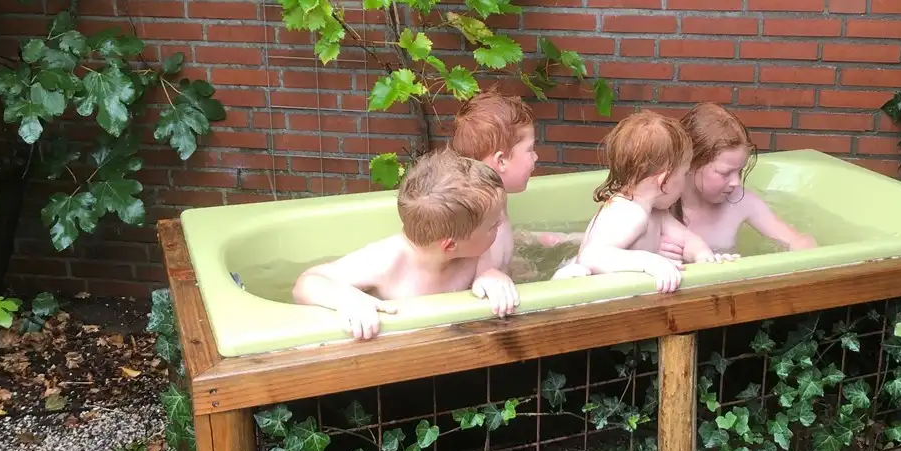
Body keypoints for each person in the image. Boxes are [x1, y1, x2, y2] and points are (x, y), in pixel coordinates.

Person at [292, 149, 518, 339]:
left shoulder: (477, 253)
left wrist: (492, 274)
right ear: (450, 246)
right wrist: (348, 299)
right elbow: (306, 283)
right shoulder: (388, 261)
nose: (500, 225)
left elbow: (496, 265)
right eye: (493, 225)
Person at [557, 110, 735, 293]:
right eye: (684, 174)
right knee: (577, 271)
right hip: (587, 288)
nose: (685, 182)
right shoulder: (629, 212)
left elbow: (688, 240)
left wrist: (704, 257)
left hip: (619, 291)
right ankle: (560, 279)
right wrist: (651, 262)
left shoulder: (657, 213)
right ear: (664, 181)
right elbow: (591, 257)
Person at [449, 90, 578, 277]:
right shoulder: (481, 223)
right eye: (530, 150)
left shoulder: (495, 201)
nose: (536, 156)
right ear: (501, 161)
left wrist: (538, 240)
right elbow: (484, 282)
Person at [666, 103, 815, 257]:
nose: (736, 182)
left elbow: (797, 240)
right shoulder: (663, 208)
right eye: (725, 173)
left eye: (740, 171)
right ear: (689, 164)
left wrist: (803, 248)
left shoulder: (740, 202)